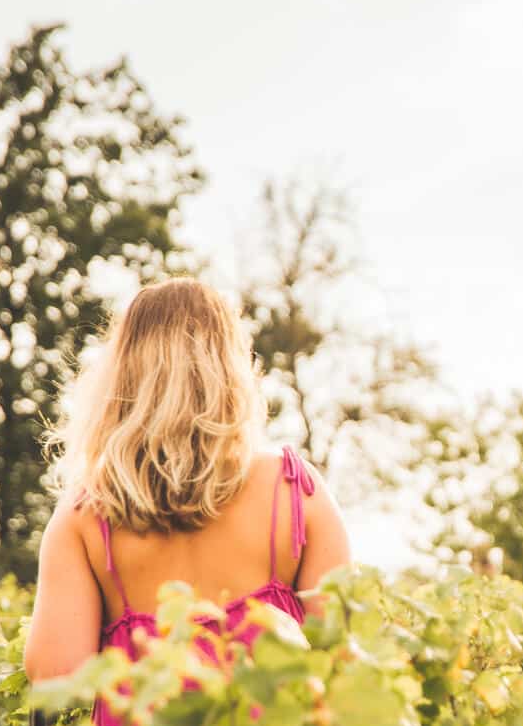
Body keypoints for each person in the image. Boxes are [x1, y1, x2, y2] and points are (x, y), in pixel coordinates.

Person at [25, 276, 350, 689]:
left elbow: (55, 672)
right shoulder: (294, 489)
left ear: (122, 375)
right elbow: (343, 656)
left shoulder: (85, 514)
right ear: (231, 366)